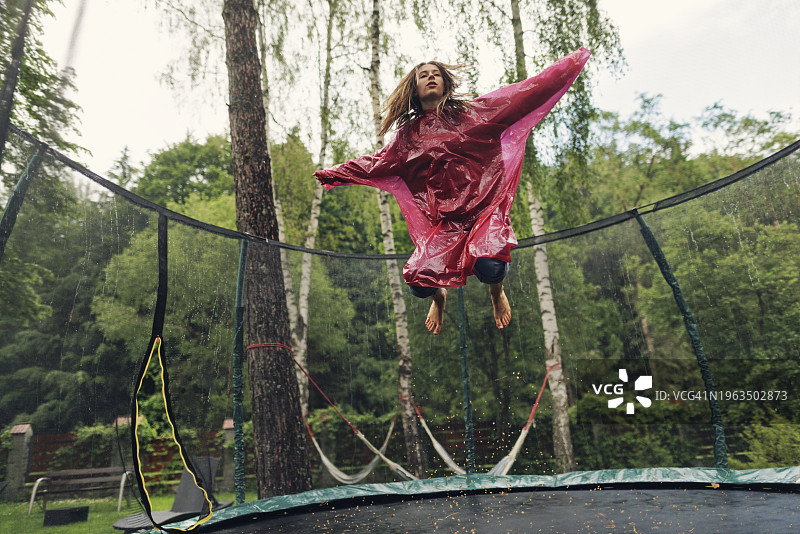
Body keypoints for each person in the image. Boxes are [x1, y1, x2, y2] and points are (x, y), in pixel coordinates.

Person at [315, 48, 591, 335]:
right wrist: (335, 174)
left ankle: (497, 293)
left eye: (436, 74)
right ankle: (439, 297)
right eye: (424, 75)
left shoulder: (474, 114)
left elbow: (524, 95)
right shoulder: (408, 138)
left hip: (485, 211)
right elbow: (375, 163)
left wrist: (567, 68)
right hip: (448, 224)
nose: (431, 77)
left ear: (446, 83)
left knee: (489, 264)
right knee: (418, 282)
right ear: (415, 88)